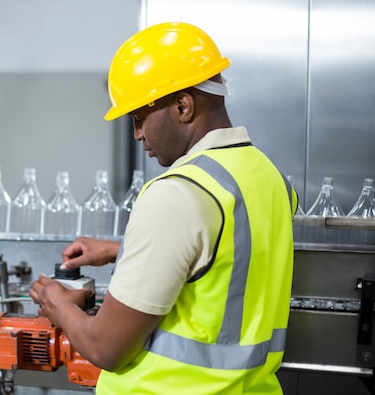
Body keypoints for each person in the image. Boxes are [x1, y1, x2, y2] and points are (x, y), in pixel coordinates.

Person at [30, 22, 297, 394]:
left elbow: (106, 348)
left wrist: (59, 305)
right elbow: (228, 262)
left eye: (140, 118)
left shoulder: (177, 194)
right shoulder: (270, 179)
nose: (138, 134)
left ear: (183, 106)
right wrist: (117, 252)